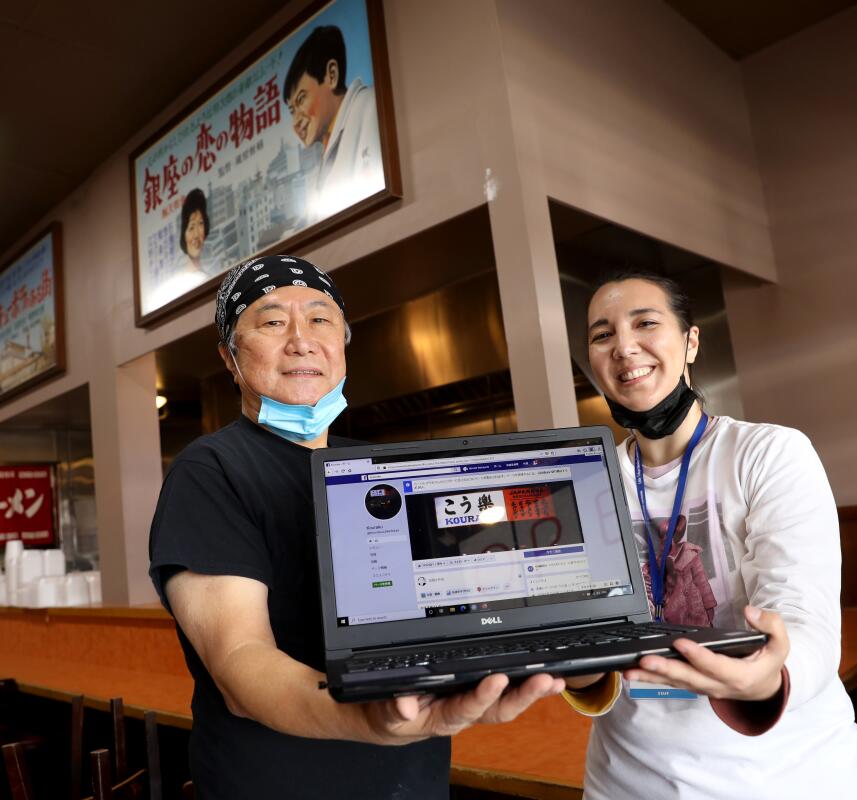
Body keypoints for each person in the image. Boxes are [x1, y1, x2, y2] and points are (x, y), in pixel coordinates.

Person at [148, 254, 564, 799]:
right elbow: (239, 661)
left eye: (320, 319)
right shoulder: (212, 470)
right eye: (272, 321)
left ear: (342, 343)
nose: (301, 340)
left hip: (412, 777)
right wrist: (366, 721)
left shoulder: (378, 468)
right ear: (230, 354)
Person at [562, 270, 857, 798]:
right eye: (602, 335)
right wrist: (565, 664)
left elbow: (806, 617)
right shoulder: (585, 486)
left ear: (690, 341)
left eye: (645, 323)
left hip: (790, 779)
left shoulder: (769, 454)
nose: (623, 346)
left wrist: (767, 677)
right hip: (629, 784)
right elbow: (592, 655)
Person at [283, 25, 382, 220]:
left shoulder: (370, 107)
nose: (296, 122)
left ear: (331, 75)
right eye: (292, 111)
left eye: (301, 99)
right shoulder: (324, 151)